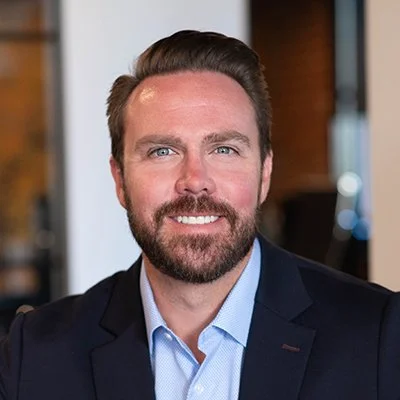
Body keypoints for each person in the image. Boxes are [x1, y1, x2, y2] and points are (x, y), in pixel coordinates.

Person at [0, 30, 399, 400]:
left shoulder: (379, 338)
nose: (195, 181)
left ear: (264, 174)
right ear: (120, 179)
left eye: (224, 149)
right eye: (162, 151)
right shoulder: (34, 354)